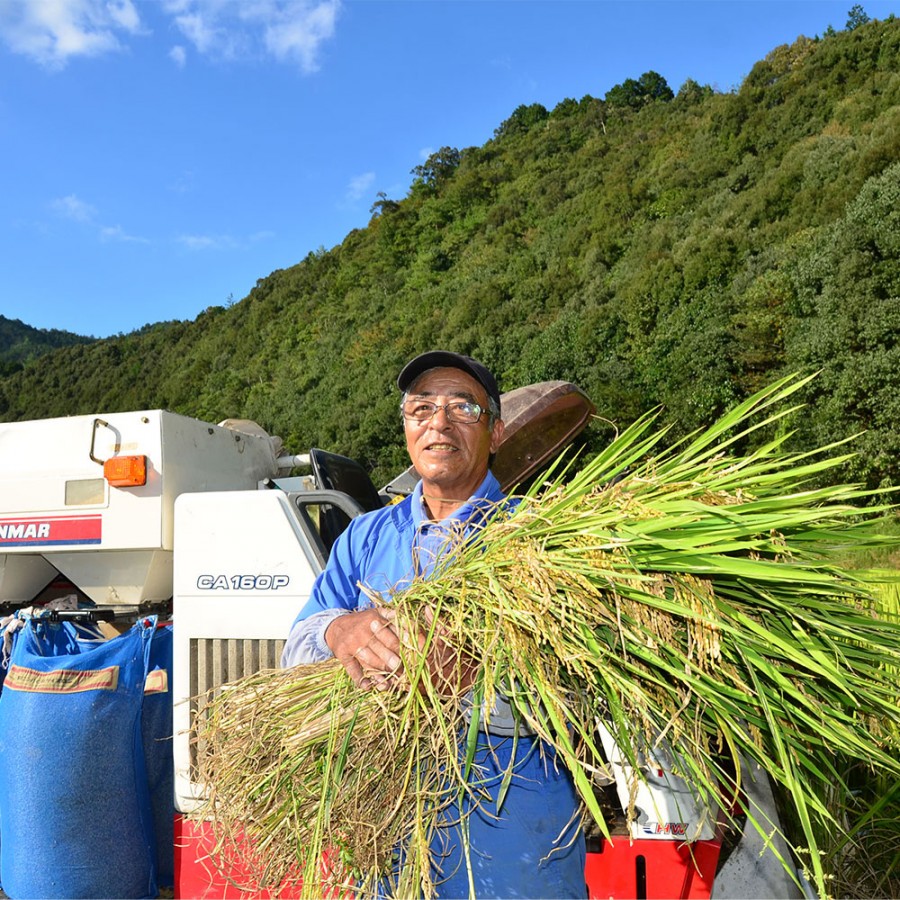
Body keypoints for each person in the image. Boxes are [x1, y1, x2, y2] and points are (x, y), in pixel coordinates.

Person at [281, 351, 586, 899]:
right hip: (386, 836)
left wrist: (475, 678)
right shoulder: (366, 535)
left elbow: (587, 690)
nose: (439, 422)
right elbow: (294, 650)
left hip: (513, 840)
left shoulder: (538, 536)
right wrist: (338, 632)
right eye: (421, 408)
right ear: (406, 429)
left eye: (462, 408)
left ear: (495, 432)